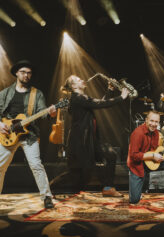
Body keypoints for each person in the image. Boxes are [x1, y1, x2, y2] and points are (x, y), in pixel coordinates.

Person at [0, 60, 56, 209]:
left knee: (36, 165)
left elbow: (42, 113)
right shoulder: (5, 93)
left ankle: (47, 197)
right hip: (7, 135)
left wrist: (50, 113)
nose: (26, 75)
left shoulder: (36, 94)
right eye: (23, 72)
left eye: (29, 73)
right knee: (0, 167)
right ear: (17, 73)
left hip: (28, 135)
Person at [61, 75, 129, 197]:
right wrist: (121, 97)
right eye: (78, 79)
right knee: (77, 171)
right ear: (73, 86)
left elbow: (97, 103)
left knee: (111, 154)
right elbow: (99, 104)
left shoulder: (83, 97)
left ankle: (108, 188)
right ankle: (51, 188)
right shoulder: (76, 98)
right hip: (81, 140)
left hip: (91, 138)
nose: (82, 79)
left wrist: (110, 91)